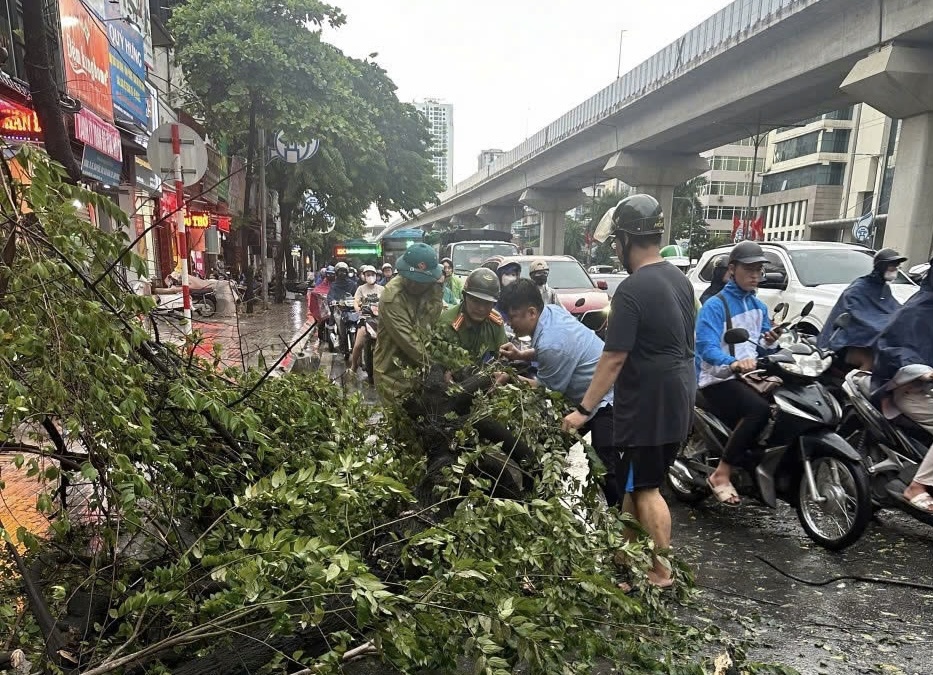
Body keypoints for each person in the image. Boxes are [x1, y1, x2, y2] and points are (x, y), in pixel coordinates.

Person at [561, 194, 696, 589]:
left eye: (615, 242)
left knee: (646, 488)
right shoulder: (678, 279)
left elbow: (614, 357)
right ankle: (624, 556)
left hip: (650, 404)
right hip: (678, 397)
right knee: (632, 482)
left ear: (624, 240)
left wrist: (584, 409)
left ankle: (661, 571)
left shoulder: (633, 289)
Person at [499, 278, 619, 506]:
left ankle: (624, 523)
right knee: (548, 448)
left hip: (606, 399)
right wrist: (521, 355)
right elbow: (549, 349)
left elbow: (547, 390)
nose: (509, 323)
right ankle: (539, 499)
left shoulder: (552, 343)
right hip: (585, 396)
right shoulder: (551, 312)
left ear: (532, 312)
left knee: (606, 468)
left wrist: (510, 379)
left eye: (513, 317)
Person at [695, 241, 782, 507]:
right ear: (732, 269)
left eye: (759, 269)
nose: (755, 275)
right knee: (757, 410)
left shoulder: (759, 306)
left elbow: (763, 344)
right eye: (749, 269)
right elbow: (706, 346)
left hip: (751, 376)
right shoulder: (715, 305)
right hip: (718, 378)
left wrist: (772, 339)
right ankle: (721, 473)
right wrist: (732, 363)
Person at [872, 255, 933, 512]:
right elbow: (893, 347)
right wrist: (922, 370)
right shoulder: (918, 309)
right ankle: (917, 486)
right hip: (911, 389)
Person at [373, 243, 444, 399]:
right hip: (393, 376)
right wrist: (436, 367)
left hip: (422, 373)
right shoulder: (391, 297)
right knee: (400, 421)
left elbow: (433, 324)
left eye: (420, 281)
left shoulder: (433, 289)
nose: (414, 285)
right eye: (411, 279)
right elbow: (410, 341)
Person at [816, 248, 906, 370]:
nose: (895, 270)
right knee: (870, 361)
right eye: (892, 266)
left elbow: (893, 309)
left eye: (896, 267)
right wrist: (884, 328)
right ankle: (855, 386)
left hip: (870, 342)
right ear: (881, 266)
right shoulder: (858, 289)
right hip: (846, 343)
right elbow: (863, 318)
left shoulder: (883, 288)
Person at [435, 267, 508, 363]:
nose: (481, 308)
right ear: (465, 297)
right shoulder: (447, 323)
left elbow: (504, 357)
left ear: (494, 304)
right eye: (475, 301)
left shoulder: (496, 322)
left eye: (487, 303)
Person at [348, 265, 385, 372]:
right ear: (364, 276)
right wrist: (358, 309)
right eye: (368, 275)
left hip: (380, 319)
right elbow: (356, 301)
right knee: (358, 344)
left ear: (376, 276)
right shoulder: (360, 289)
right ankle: (354, 366)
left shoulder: (382, 289)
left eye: (372, 274)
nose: (370, 276)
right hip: (365, 318)